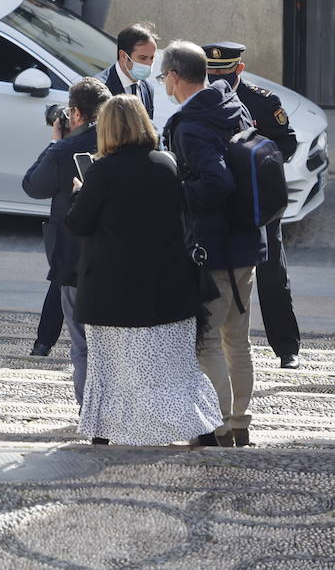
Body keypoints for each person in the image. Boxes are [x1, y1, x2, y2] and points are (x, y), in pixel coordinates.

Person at [66, 94, 223, 446]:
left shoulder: (101, 172)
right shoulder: (165, 163)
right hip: (169, 288)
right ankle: (203, 433)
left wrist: (79, 191)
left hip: (115, 296)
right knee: (177, 370)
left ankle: (106, 435)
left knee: (113, 371)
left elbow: (78, 223)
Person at [160, 40, 265, 448]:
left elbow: (217, 182)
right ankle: (240, 422)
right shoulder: (230, 105)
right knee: (237, 338)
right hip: (246, 241)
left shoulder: (191, 124)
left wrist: (177, 193)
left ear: (173, 76)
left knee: (207, 342)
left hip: (214, 248)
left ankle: (218, 427)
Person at [204, 41, 302, 370]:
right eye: (211, 72)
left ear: (239, 70)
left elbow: (286, 142)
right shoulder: (200, 100)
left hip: (258, 200)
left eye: (224, 72)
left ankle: (287, 347)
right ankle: (206, 344)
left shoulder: (262, 101)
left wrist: (258, 161)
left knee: (272, 275)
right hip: (220, 201)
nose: (216, 77)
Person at [22, 77, 111, 403]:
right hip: (117, 257)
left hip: (74, 257)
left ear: (75, 114)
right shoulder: (121, 143)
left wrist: (54, 142)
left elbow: (33, 186)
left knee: (82, 343)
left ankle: (90, 411)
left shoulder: (64, 150)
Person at [97, 23, 156, 120]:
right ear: (123, 56)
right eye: (143, 58)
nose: (149, 63)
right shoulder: (101, 89)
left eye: (152, 58)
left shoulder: (147, 88)